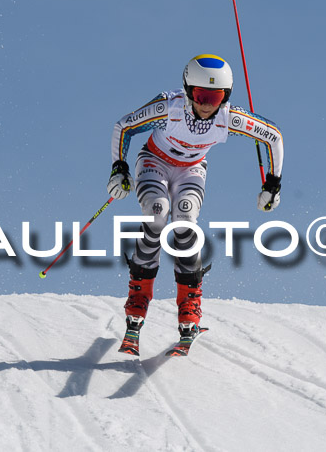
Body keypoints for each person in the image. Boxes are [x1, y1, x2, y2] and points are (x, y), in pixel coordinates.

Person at [107, 54, 284, 354]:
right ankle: (138, 298)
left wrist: (272, 184)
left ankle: (190, 307)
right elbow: (123, 126)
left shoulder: (229, 117)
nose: (206, 105)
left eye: (214, 97)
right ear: (188, 91)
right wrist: (119, 168)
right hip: (154, 162)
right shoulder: (168, 108)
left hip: (191, 169)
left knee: (185, 224)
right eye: (201, 96)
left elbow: (273, 137)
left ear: (225, 97)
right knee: (157, 214)